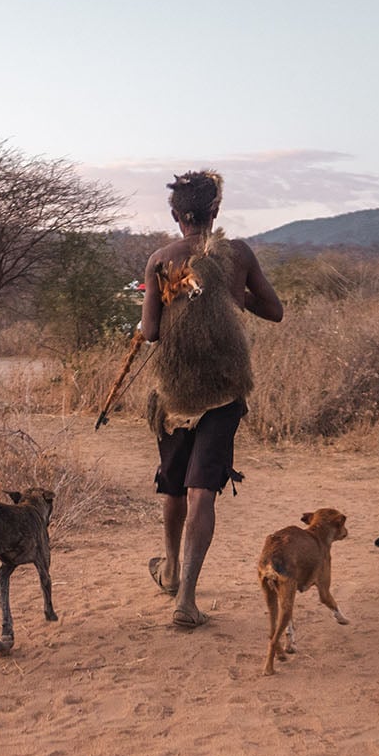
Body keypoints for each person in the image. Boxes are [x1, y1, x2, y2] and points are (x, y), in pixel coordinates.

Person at [142, 170, 284, 628]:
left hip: (175, 395)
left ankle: (169, 566)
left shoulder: (161, 260)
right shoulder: (238, 254)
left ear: (176, 215)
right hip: (225, 390)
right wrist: (232, 294)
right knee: (203, 491)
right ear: (215, 213)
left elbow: (150, 334)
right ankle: (185, 597)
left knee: (175, 483)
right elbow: (274, 310)